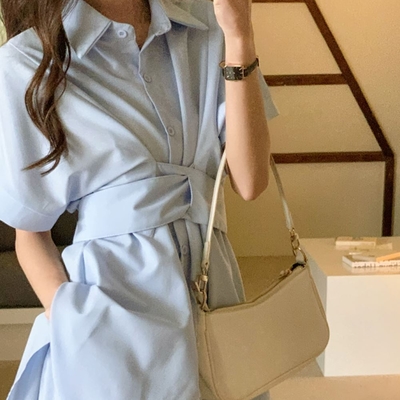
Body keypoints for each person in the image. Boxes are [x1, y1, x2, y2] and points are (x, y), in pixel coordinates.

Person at [0, 0, 278, 398]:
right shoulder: (27, 60)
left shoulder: (208, 23)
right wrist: (72, 322)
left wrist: (240, 35)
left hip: (213, 299)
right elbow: (29, 232)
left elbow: (251, 182)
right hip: (108, 326)